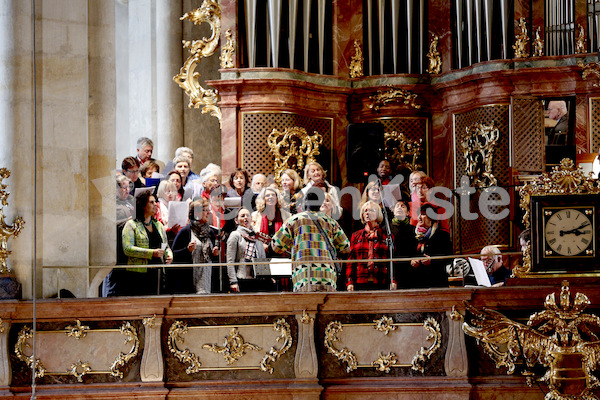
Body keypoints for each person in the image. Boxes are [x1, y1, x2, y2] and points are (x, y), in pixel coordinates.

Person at [271, 190, 350, 292]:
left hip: (303, 274)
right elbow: (346, 248)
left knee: (305, 306)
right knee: (327, 306)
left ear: (305, 201)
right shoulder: (331, 222)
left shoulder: (294, 220)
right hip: (327, 275)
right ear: (321, 202)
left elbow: (276, 246)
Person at [105, 192, 173, 296]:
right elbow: (127, 248)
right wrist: (152, 253)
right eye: (151, 202)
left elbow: (166, 245)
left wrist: (169, 255)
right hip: (137, 275)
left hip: (157, 273)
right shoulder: (131, 224)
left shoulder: (158, 225)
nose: (156, 204)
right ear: (142, 205)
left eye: (155, 202)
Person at [170, 198, 219, 294]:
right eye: (205, 210)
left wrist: (215, 254)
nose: (208, 213)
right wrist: (187, 250)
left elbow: (211, 259)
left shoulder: (210, 232)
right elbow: (173, 255)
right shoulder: (185, 231)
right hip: (189, 282)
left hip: (207, 281)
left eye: (208, 210)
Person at [346, 201, 396, 291]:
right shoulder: (356, 235)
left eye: (371, 210)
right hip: (360, 281)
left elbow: (393, 260)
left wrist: (393, 280)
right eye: (365, 211)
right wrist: (350, 282)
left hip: (382, 281)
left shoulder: (387, 235)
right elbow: (350, 261)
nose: (367, 213)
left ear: (378, 214)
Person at [226, 207, 273, 292]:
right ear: (236, 220)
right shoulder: (235, 235)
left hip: (258, 279)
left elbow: (263, 259)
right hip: (242, 279)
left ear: (251, 219)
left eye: (248, 215)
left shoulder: (256, 236)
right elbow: (230, 261)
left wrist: (268, 277)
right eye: (242, 216)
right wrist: (233, 281)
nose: (245, 218)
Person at [409, 203, 451, 288]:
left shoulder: (442, 235)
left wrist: (432, 261)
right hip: (417, 282)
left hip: (436, 281)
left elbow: (448, 257)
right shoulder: (412, 235)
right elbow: (407, 255)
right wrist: (412, 261)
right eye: (419, 214)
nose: (419, 217)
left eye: (423, 214)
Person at [252, 187, 291, 257]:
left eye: (273, 195)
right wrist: (261, 245)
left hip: (282, 253)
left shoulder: (287, 215)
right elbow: (251, 236)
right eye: (267, 195)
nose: (270, 197)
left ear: (277, 198)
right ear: (263, 199)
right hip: (262, 252)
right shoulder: (255, 216)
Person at [390, 199, 417, 288]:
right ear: (393, 211)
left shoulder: (413, 229)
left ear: (408, 212)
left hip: (409, 269)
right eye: (397, 206)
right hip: (392, 268)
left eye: (403, 206)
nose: (399, 208)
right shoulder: (387, 229)